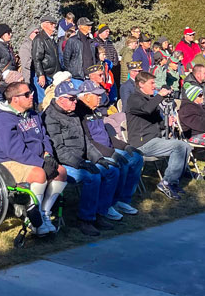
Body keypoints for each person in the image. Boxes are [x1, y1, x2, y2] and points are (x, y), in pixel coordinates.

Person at [0, 81, 68, 236]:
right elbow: (15, 151)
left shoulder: (33, 115)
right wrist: (41, 163)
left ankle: (44, 213)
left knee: (61, 171)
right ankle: (34, 220)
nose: (31, 96)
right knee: (39, 174)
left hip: (36, 158)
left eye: (31, 92)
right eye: (26, 94)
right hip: (7, 161)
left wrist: (47, 155)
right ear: (15, 99)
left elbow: (44, 137)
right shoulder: (3, 121)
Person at [43, 80, 122, 236]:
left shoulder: (71, 113)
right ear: (61, 99)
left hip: (81, 158)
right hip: (64, 163)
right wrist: (80, 163)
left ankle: (100, 212)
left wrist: (98, 158)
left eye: (75, 97)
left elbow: (85, 140)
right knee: (92, 177)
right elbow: (58, 150)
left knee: (111, 170)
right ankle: (86, 219)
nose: (75, 101)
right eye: (72, 98)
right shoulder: (50, 117)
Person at [74, 80, 142, 216]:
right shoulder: (79, 115)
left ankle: (123, 200)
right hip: (95, 152)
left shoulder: (97, 111)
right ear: (86, 96)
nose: (100, 98)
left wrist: (125, 146)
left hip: (108, 148)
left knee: (136, 158)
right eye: (97, 95)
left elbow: (106, 136)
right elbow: (90, 142)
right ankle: (107, 204)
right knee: (117, 165)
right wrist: (112, 153)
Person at [125, 71, 190, 200]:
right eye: (152, 83)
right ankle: (166, 183)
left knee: (185, 146)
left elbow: (155, 121)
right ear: (141, 84)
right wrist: (159, 95)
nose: (154, 86)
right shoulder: (134, 99)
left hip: (153, 139)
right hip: (141, 143)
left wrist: (166, 122)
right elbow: (146, 109)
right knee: (179, 146)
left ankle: (172, 182)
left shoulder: (149, 99)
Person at [32, 15, 62, 103]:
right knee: (44, 101)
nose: (54, 26)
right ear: (44, 25)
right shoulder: (39, 39)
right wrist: (40, 75)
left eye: (54, 24)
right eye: (51, 24)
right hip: (45, 75)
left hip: (53, 75)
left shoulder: (51, 39)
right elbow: (37, 59)